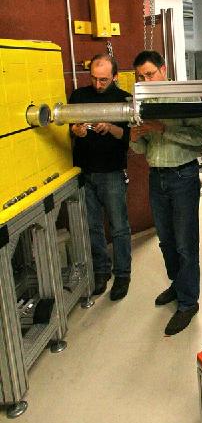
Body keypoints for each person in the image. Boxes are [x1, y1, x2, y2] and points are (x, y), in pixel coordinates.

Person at [130, 50, 202, 335]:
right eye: (140, 76)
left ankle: (188, 303)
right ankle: (178, 285)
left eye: (149, 74)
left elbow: (199, 140)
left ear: (164, 69)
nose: (145, 80)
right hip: (157, 177)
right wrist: (135, 138)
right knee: (166, 241)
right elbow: (140, 149)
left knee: (186, 243)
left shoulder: (184, 96)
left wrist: (163, 129)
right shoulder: (143, 100)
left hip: (183, 175)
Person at [69, 54, 132, 301]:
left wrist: (112, 127)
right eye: (94, 79)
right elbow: (69, 126)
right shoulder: (78, 97)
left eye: (103, 80)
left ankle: (123, 275)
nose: (98, 85)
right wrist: (76, 130)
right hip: (84, 172)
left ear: (115, 77)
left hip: (112, 172)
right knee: (92, 227)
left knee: (118, 227)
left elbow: (130, 137)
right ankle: (101, 273)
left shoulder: (123, 100)